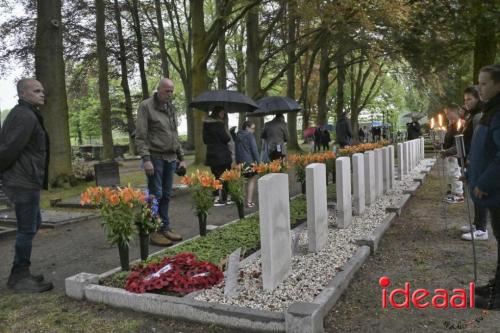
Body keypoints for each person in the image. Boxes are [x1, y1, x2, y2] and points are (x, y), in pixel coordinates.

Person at [0, 78, 53, 292]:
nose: (42, 94)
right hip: (22, 181)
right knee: (27, 228)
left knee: (33, 223)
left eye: (42, 90)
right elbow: (9, 148)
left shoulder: (27, 113)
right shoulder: (24, 115)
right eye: (36, 90)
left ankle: (21, 271)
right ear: (23, 94)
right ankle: (19, 276)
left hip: (25, 179)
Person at [135, 78, 186, 247]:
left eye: (172, 91)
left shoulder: (170, 108)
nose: (170, 94)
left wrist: (182, 158)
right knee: (154, 195)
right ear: (158, 89)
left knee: (166, 195)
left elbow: (174, 135)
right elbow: (141, 136)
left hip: (171, 158)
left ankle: (165, 227)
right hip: (155, 158)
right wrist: (146, 160)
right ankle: (152, 231)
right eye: (167, 91)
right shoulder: (146, 106)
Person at [469, 64, 500, 309]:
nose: (480, 88)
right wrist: (471, 174)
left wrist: (485, 181)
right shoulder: (491, 109)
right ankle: (497, 285)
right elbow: (484, 149)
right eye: (479, 83)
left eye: (484, 83)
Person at [443, 86, 488, 240]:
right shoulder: (471, 116)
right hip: (469, 158)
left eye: (470, 99)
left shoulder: (478, 116)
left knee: (478, 193)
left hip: (476, 160)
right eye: (465, 99)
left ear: (478, 98)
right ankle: (477, 224)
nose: (466, 102)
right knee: (473, 194)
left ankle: (482, 229)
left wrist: (471, 158)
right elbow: (464, 139)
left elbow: (477, 141)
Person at [203, 106, 233, 206]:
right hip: (223, 155)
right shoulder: (219, 124)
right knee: (225, 176)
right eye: (222, 113)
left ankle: (216, 197)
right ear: (217, 113)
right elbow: (226, 139)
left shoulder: (205, 125)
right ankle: (223, 198)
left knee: (217, 176)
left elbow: (205, 140)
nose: (223, 115)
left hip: (212, 154)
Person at [440, 104, 464, 204]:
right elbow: (448, 141)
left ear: (454, 112)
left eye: (448, 113)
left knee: (455, 174)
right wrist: (440, 145)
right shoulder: (451, 125)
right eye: (446, 114)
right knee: (451, 174)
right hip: (450, 153)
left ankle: (459, 195)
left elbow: (458, 142)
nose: (447, 115)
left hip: (455, 154)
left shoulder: (460, 124)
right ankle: (453, 192)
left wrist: (447, 152)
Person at [233, 121, 260, 208]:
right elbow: (254, 150)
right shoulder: (249, 136)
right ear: (247, 128)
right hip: (250, 162)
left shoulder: (237, 136)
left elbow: (236, 151)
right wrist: (259, 162)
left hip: (240, 162)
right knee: (251, 180)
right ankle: (249, 202)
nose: (253, 130)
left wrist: (238, 162)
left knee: (243, 181)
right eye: (252, 128)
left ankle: (241, 201)